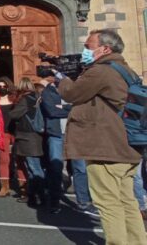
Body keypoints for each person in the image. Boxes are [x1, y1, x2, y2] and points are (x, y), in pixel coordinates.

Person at [57, 29, 146, 244]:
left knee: (108, 203)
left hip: (105, 147)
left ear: (104, 48)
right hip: (127, 146)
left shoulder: (101, 71)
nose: (84, 51)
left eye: (88, 46)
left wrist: (61, 78)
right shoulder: (126, 70)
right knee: (127, 201)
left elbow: (73, 94)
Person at [39, 74, 94, 215]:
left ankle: (84, 201)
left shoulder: (77, 92)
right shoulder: (48, 92)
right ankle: (54, 201)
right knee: (55, 168)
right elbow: (52, 111)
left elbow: (83, 111)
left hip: (75, 135)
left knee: (81, 168)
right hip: (56, 135)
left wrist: (63, 107)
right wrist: (69, 108)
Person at [8, 77, 46, 207]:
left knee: (34, 168)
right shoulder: (38, 97)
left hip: (28, 137)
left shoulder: (25, 99)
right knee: (32, 167)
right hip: (36, 135)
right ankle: (33, 195)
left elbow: (14, 115)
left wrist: (11, 107)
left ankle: (40, 195)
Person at [0, 77, 20, 198]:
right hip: (2, 133)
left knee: (20, 159)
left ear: (8, 87)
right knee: (3, 159)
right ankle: (4, 187)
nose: (2, 89)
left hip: (16, 132)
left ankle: (23, 187)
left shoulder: (16, 99)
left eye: (4, 86)